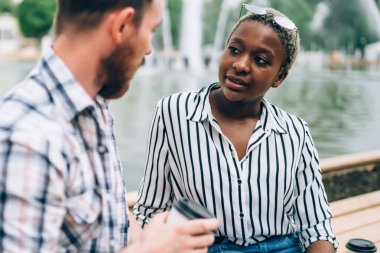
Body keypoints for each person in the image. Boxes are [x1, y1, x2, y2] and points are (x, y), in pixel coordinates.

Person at [0, 0, 218, 252]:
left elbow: (111, 222)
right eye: (152, 30)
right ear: (122, 26)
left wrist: (158, 238)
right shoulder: (28, 137)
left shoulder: (95, 101)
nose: (149, 49)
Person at [134, 4, 338, 253]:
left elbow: (316, 226)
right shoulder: (174, 113)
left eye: (260, 60)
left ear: (279, 78)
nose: (240, 64)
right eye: (234, 49)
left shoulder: (295, 132)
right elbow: (152, 210)